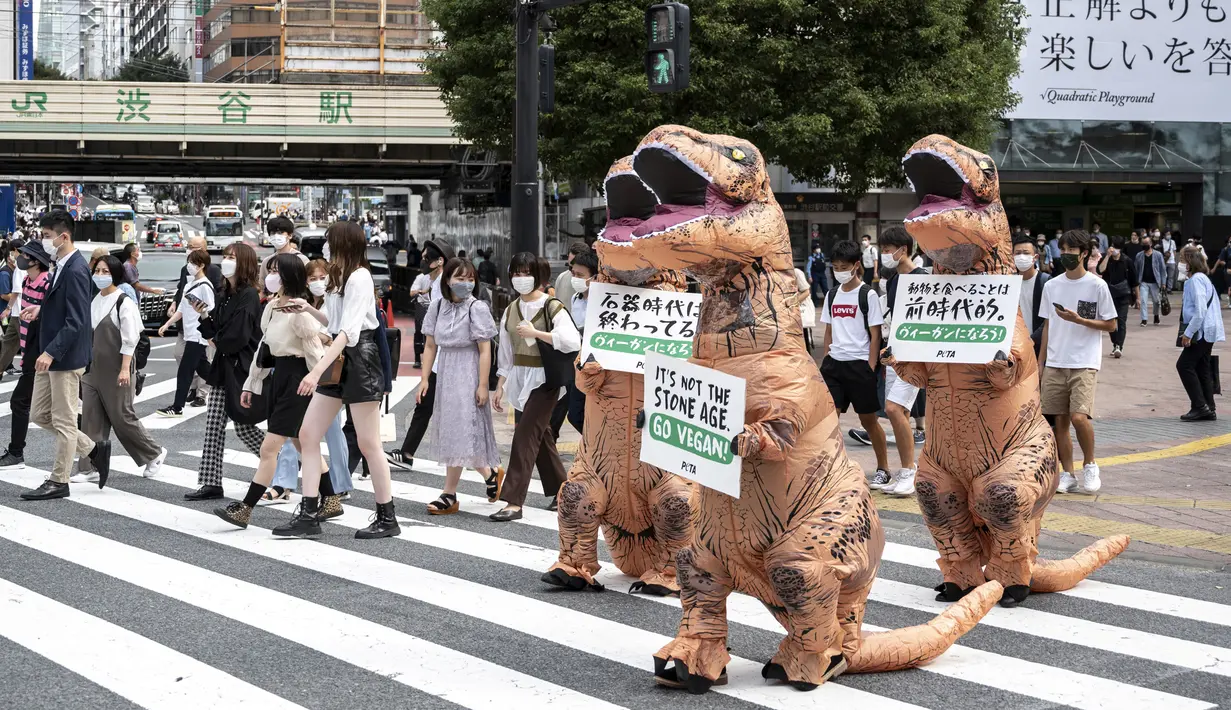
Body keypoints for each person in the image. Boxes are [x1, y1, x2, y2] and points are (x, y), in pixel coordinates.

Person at [269, 221, 399, 539]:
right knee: (309, 434)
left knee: (369, 443)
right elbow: (333, 321)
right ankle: (310, 512)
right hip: (341, 356)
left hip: (361, 358)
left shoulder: (360, 277)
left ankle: (387, 516)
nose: (324, 246)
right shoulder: (337, 278)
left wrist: (315, 372)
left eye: (329, 240)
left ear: (342, 243)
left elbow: (349, 333)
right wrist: (307, 309)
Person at [213, 255, 337, 527]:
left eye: (276, 272)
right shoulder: (271, 307)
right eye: (269, 271)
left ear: (289, 276)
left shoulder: (299, 311)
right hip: (280, 377)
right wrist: (252, 383)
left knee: (270, 448)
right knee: (301, 443)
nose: (270, 276)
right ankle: (331, 498)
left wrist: (319, 383)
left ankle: (245, 508)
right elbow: (263, 349)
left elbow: (316, 350)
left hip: (299, 381)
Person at [17, 210, 112, 501]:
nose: (44, 241)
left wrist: (50, 351)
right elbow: (62, 309)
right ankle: (94, 449)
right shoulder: (61, 264)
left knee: (65, 420)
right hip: (52, 354)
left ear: (63, 236)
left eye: (47, 236)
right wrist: (40, 310)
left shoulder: (76, 269)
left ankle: (59, 480)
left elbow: (77, 320)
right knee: (40, 414)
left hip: (65, 357)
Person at [490, 251, 580, 522]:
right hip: (520, 378)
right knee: (540, 438)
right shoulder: (511, 309)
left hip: (545, 380)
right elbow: (505, 352)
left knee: (525, 435)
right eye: (516, 273)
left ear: (537, 276)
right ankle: (565, 493)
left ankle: (513, 501)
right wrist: (501, 384)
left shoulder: (552, 306)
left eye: (525, 273)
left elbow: (572, 340)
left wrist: (537, 334)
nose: (520, 278)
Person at [262, 259, 354, 504]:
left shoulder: (335, 299)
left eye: (321, 277)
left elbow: (345, 332)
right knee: (296, 434)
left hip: (325, 373)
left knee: (331, 431)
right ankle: (285, 482)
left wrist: (321, 336)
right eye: (311, 278)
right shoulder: (294, 303)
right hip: (298, 374)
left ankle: (338, 484)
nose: (317, 283)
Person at [183, 242, 269, 501]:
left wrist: (216, 337)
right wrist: (204, 315)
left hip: (242, 368)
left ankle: (283, 459)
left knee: (243, 425)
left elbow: (238, 336)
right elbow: (216, 330)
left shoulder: (248, 295)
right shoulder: (225, 292)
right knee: (214, 424)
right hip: (224, 366)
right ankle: (211, 483)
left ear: (244, 263)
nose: (227, 261)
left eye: (232, 257)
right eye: (225, 256)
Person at [70, 255, 167, 483]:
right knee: (91, 418)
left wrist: (125, 369)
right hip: (92, 368)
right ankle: (90, 467)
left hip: (117, 367)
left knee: (121, 416)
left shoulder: (124, 301)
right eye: (98, 271)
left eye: (106, 272)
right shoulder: (95, 300)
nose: (100, 276)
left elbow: (130, 339)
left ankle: (154, 453)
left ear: (115, 274)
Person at [417, 257, 502, 514]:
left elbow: (485, 349)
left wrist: (482, 384)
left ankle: (450, 493)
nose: (465, 284)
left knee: (465, 429)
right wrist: (424, 379)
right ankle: (489, 476)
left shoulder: (476, 308)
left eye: (470, 279)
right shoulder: (437, 306)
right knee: (454, 430)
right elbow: (430, 345)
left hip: (469, 369)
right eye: (460, 278)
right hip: (446, 372)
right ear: (447, 280)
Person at [1039, 230, 1117, 495]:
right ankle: (1068, 474)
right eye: (1063, 251)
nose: (1066, 256)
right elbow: (1048, 325)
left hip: (1084, 361)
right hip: (1055, 362)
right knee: (1059, 421)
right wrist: (1041, 363)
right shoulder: (1052, 285)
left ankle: (1090, 464)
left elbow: (1111, 324)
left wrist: (1080, 320)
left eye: (1072, 252)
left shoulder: (1097, 286)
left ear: (1084, 254)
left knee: (1079, 417)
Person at [820, 239, 888, 484]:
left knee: (868, 421)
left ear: (856, 265)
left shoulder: (867, 294)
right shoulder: (831, 295)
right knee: (828, 419)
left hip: (859, 365)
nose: (839, 272)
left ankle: (883, 468)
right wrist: (827, 356)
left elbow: (875, 333)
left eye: (843, 266)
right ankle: (830, 468)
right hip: (834, 366)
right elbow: (828, 329)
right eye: (835, 267)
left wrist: (870, 366)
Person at [869, 227, 927, 496]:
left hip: (914, 357)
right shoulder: (892, 280)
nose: (884, 254)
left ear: (903, 249)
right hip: (894, 355)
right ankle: (906, 471)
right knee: (899, 413)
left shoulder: (922, 278)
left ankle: (910, 472)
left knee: (893, 409)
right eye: (882, 249)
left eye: (887, 249)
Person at [0, 241, 51, 470]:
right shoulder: (26, 280)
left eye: (24, 255)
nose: (19, 257)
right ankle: (94, 445)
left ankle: (16, 452)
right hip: (29, 349)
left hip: (40, 351)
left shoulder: (47, 283)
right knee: (59, 407)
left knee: (20, 402)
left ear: (36, 261)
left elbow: (51, 315)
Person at [156, 249, 216, 417]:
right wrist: (167, 324)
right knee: (204, 369)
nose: (190, 266)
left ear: (202, 265)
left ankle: (177, 407)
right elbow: (181, 309)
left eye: (193, 263)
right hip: (189, 331)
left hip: (198, 334)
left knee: (185, 370)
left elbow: (210, 309)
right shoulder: (189, 285)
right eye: (189, 262)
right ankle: (228, 388)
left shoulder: (205, 285)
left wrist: (201, 309)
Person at [170, 236, 222, 407]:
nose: (191, 249)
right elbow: (182, 296)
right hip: (187, 327)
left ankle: (183, 403)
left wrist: (202, 311)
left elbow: (212, 303)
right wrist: (171, 316)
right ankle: (226, 387)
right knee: (199, 365)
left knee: (188, 367)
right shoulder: (187, 275)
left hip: (200, 330)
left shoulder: (210, 275)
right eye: (189, 246)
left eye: (195, 247)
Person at [1176, 246, 1224, 422]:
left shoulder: (1196, 280)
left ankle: (1199, 406)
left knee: (1184, 365)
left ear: (1189, 261)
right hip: (1208, 330)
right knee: (1202, 367)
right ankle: (1208, 407)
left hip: (1201, 331)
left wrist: (1188, 333)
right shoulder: (1202, 278)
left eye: (1181, 259)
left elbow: (1200, 310)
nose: (1179, 263)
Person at [1097, 235, 1138, 359]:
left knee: (1122, 320)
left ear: (1120, 248)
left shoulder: (1127, 261)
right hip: (1109, 295)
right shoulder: (1106, 258)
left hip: (1123, 295)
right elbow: (1100, 270)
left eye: (1116, 247)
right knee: (1110, 321)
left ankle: (1119, 346)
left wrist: (1138, 298)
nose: (1113, 249)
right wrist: (1107, 256)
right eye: (1112, 246)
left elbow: (1134, 281)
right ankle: (1115, 343)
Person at [1013, 235, 1051, 356]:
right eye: (1017, 253)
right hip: (1014, 347)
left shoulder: (1045, 282)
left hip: (1037, 346)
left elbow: (1048, 319)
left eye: (1026, 253)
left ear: (1035, 257)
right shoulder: (1007, 283)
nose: (1021, 256)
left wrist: (1032, 339)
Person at [258, 216, 308, 288]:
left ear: (290, 235)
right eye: (272, 233)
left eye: (280, 232)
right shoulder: (267, 262)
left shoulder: (301, 259)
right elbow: (262, 287)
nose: (276, 236)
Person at [1135, 235, 1166, 327]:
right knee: (1143, 300)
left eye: (1146, 244)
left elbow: (1162, 270)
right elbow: (1136, 269)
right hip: (1143, 282)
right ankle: (1144, 319)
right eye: (1143, 244)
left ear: (1151, 244)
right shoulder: (1139, 255)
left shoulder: (1158, 255)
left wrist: (1163, 282)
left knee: (1156, 301)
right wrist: (1136, 282)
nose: (1145, 245)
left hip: (1155, 282)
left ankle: (1156, 316)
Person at [554, 242, 588, 320]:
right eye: (570, 267)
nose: (574, 273)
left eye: (579, 273)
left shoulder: (596, 281)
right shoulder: (562, 278)